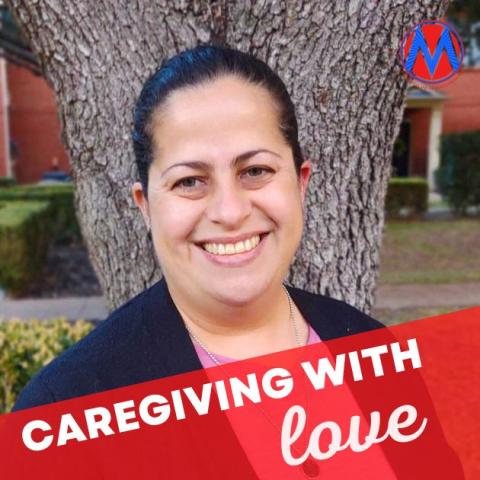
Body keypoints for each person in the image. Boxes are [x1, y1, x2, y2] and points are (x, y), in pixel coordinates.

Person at [12, 45, 462, 479]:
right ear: (145, 205)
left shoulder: (369, 347)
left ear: (300, 184)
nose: (230, 212)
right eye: (190, 180)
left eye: (256, 171)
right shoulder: (65, 412)